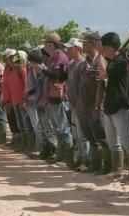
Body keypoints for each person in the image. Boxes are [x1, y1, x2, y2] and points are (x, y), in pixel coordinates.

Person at [100, 32, 129, 178]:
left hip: (120, 107)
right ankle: (117, 170)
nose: (102, 49)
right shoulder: (114, 60)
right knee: (112, 142)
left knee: (127, 142)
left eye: (103, 46)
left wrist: (99, 54)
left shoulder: (123, 62)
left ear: (110, 47)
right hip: (110, 106)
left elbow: (105, 72)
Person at [78, 31, 109, 173]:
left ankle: (107, 166)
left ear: (94, 44)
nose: (82, 45)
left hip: (96, 106)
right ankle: (95, 164)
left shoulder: (100, 62)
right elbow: (81, 86)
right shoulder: (86, 63)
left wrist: (97, 107)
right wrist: (80, 104)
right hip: (85, 105)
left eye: (85, 43)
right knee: (89, 135)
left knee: (101, 136)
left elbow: (101, 87)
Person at [41, 33, 73, 163]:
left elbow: (57, 77)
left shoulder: (60, 57)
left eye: (47, 43)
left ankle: (69, 158)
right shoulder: (50, 59)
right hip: (52, 97)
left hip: (60, 99)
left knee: (63, 128)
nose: (45, 46)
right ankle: (61, 156)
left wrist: (44, 72)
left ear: (52, 44)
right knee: (57, 128)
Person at [63, 37, 89, 170]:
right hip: (72, 103)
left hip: (80, 105)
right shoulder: (71, 65)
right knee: (76, 133)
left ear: (78, 48)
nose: (67, 50)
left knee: (82, 133)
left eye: (70, 48)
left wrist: (80, 103)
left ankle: (86, 159)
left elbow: (83, 87)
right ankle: (80, 156)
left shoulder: (83, 64)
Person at [25, 49, 47, 159]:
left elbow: (43, 87)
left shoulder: (42, 70)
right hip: (36, 101)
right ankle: (40, 148)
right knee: (38, 126)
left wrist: (27, 94)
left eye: (32, 62)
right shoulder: (35, 70)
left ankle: (41, 149)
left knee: (40, 126)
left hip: (41, 102)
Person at [1, 49, 23, 147]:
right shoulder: (8, 69)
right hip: (10, 99)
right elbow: (7, 86)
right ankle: (15, 140)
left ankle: (20, 141)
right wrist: (5, 100)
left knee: (19, 122)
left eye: (8, 57)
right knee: (12, 120)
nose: (5, 59)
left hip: (17, 99)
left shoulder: (19, 69)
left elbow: (24, 85)